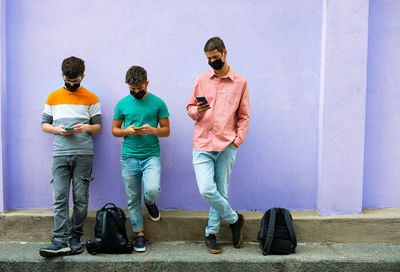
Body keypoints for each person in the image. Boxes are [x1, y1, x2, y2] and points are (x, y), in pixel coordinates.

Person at [186, 37, 250, 254]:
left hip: (226, 145)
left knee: (221, 191)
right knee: (207, 189)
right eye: (208, 59)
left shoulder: (240, 82)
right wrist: (199, 111)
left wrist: (237, 141)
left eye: (215, 57)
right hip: (202, 143)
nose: (212, 62)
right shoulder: (202, 79)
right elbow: (190, 109)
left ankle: (210, 234)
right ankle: (234, 219)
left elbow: (244, 116)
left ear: (224, 52)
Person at [40, 56, 102, 257]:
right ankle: (59, 240)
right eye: (69, 80)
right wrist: (58, 130)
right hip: (60, 154)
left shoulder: (91, 98)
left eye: (76, 80)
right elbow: (44, 124)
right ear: (62, 76)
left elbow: (98, 127)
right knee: (59, 198)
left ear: (83, 76)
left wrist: (86, 127)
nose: (72, 83)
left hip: (84, 154)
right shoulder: (53, 97)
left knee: (81, 199)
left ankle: (75, 238)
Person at [112, 66, 170, 252]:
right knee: (132, 198)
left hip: (151, 155)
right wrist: (126, 131)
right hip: (129, 156)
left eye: (140, 88)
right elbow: (115, 130)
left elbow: (166, 130)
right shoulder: (122, 104)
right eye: (132, 89)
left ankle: (150, 202)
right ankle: (139, 234)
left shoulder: (158, 103)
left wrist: (152, 130)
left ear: (147, 83)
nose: (136, 92)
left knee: (152, 189)